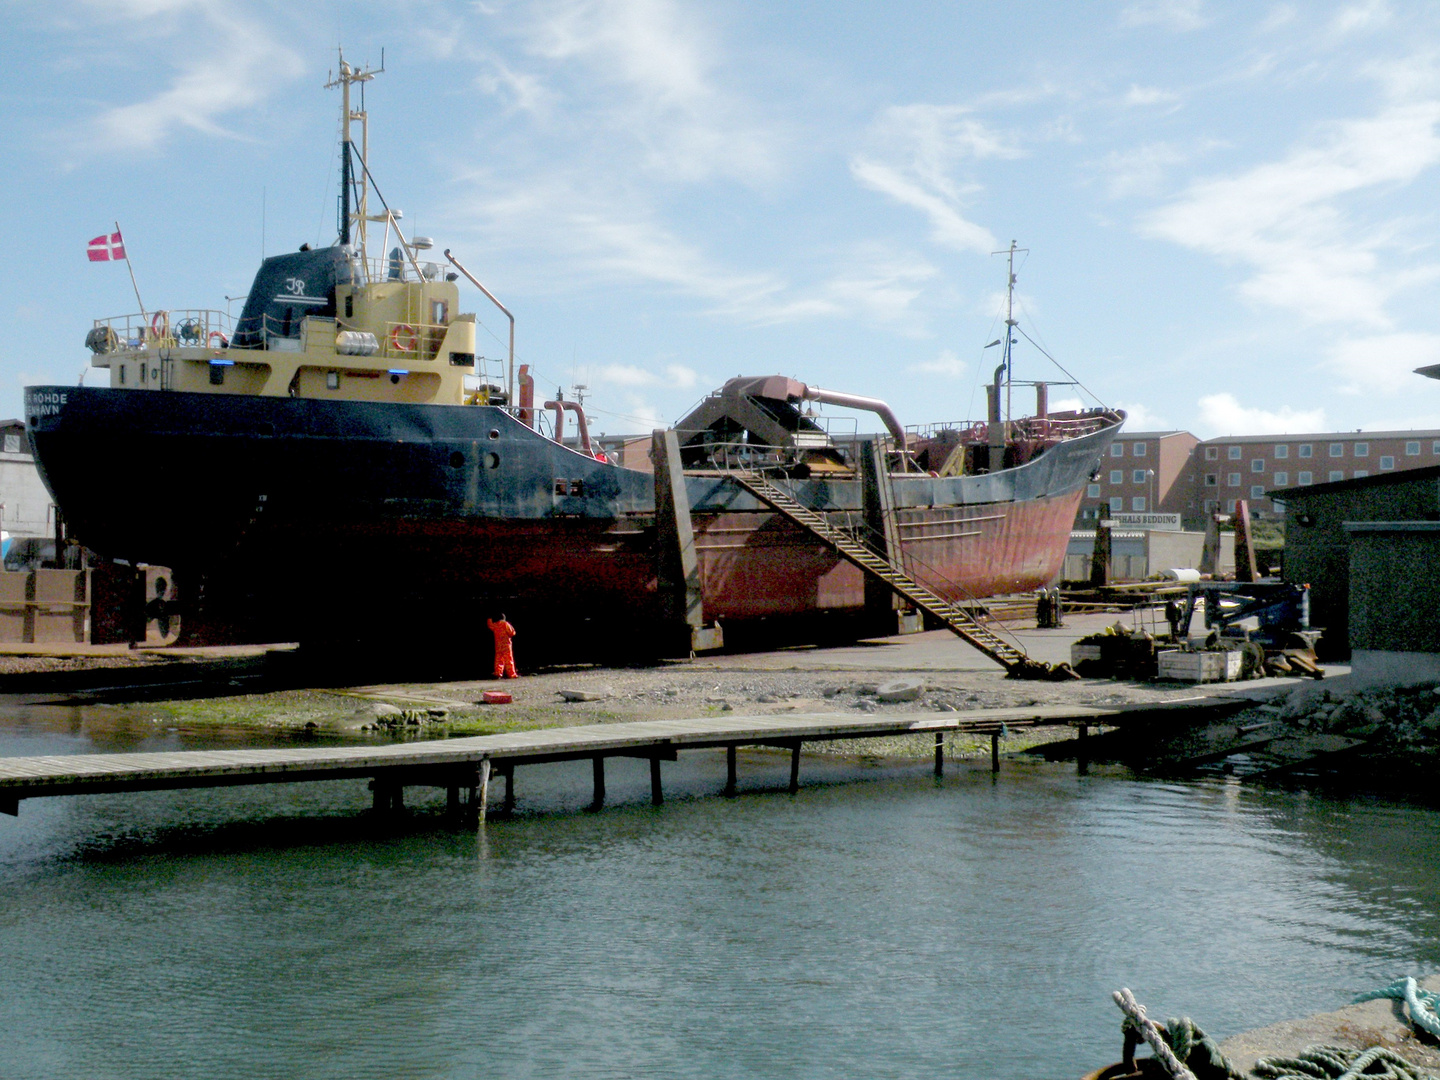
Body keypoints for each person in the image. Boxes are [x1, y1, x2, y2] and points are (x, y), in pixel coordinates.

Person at [488, 613, 518, 679]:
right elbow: (512, 633)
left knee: (499, 660)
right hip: (506, 645)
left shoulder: (495, 625)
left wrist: (489, 618)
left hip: (498, 645)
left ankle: (498, 673)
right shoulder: (506, 624)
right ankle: (511, 674)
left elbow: (490, 625)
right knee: (509, 659)